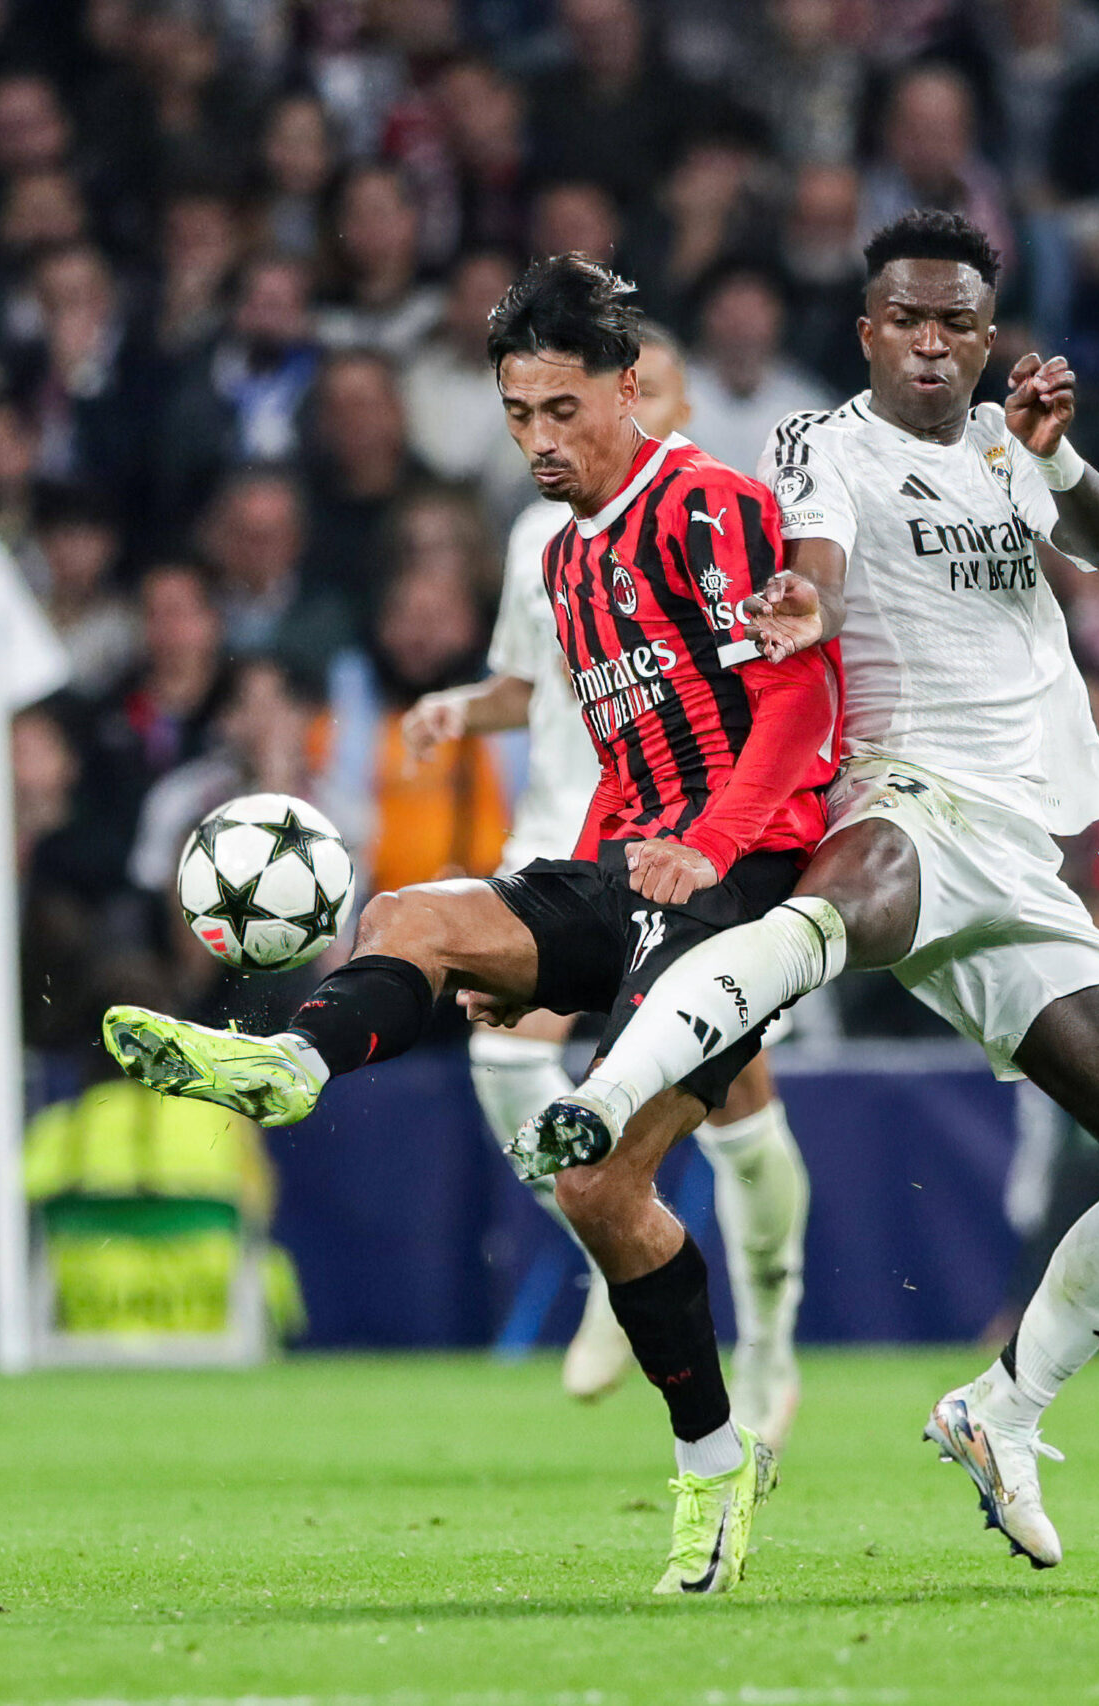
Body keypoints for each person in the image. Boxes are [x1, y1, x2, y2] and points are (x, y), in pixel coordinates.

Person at [98, 256, 842, 1594]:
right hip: (632, 870)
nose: (541, 440)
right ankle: (289, 1062)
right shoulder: (567, 558)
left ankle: (713, 1466)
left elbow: (800, 705)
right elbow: (625, 764)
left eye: (564, 409)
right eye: (518, 413)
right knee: (412, 916)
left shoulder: (709, 509)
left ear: (626, 386)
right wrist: (538, 933)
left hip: (743, 904)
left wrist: (709, 847)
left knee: (597, 1183)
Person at [527, 211, 1099, 1571]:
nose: (930, 340)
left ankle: (1001, 1407)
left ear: (984, 335)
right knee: (811, 929)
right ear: (868, 331)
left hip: (1020, 856)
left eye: (957, 320)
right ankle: (601, 1105)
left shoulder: (1000, 447)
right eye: (906, 317)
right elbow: (820, 560)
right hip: (901, 790)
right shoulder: (819, 443)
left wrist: (1052, 452)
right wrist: (801, 603)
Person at [402, 320, 812, 1440]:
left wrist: (732, 844)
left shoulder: (706, 516)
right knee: (502, 1051)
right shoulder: (547, 541)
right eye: (526, 413)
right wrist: (459, 705)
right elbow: (524, 684)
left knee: (737, 1108)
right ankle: (609, 1236)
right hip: (578, 833)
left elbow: (783, 689)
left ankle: (771, 1339)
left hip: (697, 851)